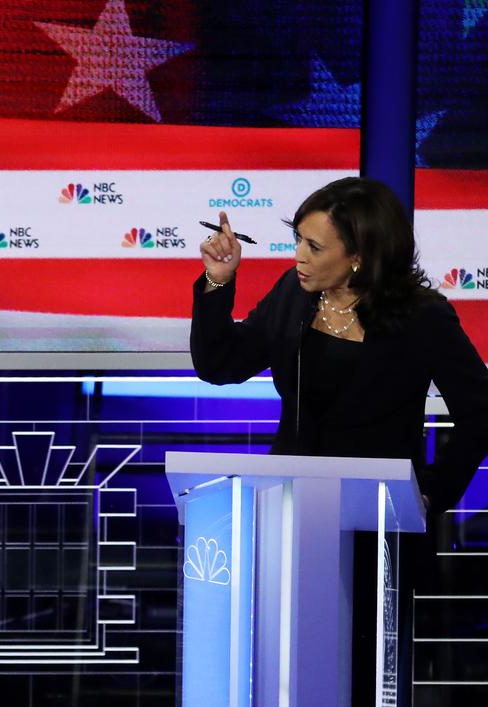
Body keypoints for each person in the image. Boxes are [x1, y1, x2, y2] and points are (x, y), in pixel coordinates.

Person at [192, 176, 488, 514]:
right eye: (298, 240)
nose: (298, 256)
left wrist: (431, 493)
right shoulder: (294, 292)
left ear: (358, 256)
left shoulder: (422, 317)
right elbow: (221, 364)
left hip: (378, 516)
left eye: (314, 247)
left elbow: (479, 413)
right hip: (292, 510)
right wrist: (218, 279)